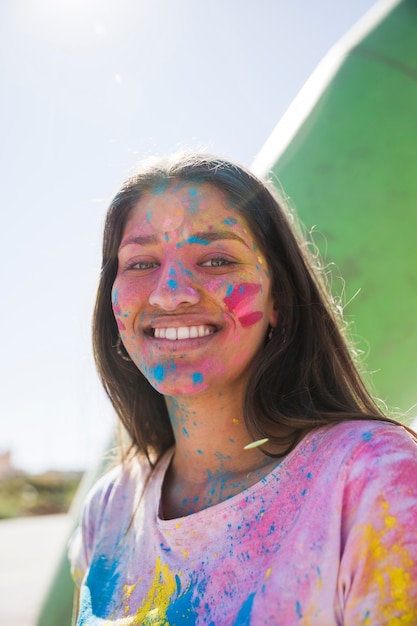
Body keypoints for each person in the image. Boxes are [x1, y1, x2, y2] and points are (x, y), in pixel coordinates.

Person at [69, 153, 417, 625]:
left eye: (217, 259)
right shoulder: (108, 511)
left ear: (279, 299)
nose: (170, 292)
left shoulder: (372, 477)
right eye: (142, 262)